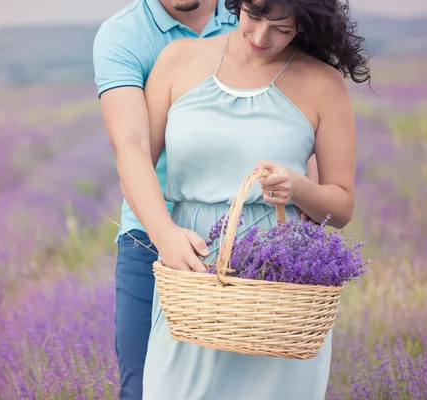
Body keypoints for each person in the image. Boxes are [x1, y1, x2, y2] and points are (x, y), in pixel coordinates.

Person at [122, 0, 372, 397]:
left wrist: (299, 187)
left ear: (303, 27)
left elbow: (341, 206)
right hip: (192, 267)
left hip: (280, 285)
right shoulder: (178, 60)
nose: (260, 37)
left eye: (281, 29)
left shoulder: (324, 84)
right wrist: (164, 234)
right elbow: (134, 157)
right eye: (253, 16)